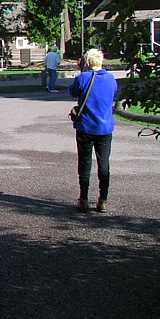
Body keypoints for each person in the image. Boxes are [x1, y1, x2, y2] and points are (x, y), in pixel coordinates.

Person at [68, 48, 118, 213]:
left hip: (85, 126)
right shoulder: (111, 79)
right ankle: (103, 199)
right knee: (104, 163)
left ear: (87, 62)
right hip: (104, 128)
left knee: (85, 162)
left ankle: (83, 198)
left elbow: (72, 92)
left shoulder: (83, 78)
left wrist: (83, 73)